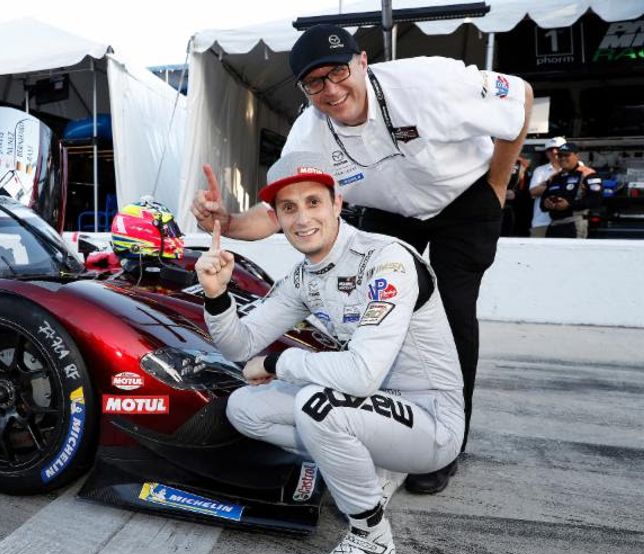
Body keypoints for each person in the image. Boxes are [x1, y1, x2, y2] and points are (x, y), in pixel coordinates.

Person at [191, 25, 532, 494]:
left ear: (362, 62)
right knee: (371, 314)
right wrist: (227, 221)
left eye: (338, 72)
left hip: (464, 198)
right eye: (314, 83)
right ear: (303, 89)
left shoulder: (428, 82)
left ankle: (445, 443)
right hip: (390, 211)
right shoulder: (308, 133)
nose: (331, 90)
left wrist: (496, 185)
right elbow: (275, 214)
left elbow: (520, 98)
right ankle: (385, 425)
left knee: (452, 310)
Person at [196, 151, 463, 554]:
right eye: (288, 207)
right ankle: (372, 467)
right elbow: (240, 344)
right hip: (375, 411)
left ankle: (371, 540)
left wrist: (278, 363)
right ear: (276, 218)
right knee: (244, 408)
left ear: (338, 203)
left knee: (317, 404)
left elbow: (360, 376)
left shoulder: (388, 259)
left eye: (313, 202)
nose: (302, 218)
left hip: (432, 424)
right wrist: (216, 296)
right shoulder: (305, 276)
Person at [540, 142, 602, 239]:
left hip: (575, 223)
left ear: (577, 156)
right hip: (553, 225)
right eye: (560, 155)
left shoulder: (587, 174)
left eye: (566, 155)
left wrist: (569, 204)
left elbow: (596, 199)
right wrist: (547, 203)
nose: (562, 158)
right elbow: (542, 205)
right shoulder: (554, 177)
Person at [528, 136, 567, 237]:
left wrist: (547, 185)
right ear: (546, 153)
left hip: (567, 221)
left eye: (557, 148)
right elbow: (533, 191)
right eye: (550, 149)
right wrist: (560, 186)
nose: (554, 152)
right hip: (542, 221)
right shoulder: (540, 170)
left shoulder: (578, 167)